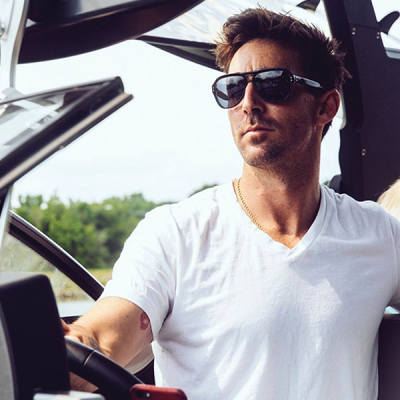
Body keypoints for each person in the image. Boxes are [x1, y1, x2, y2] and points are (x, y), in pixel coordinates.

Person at [64, 7, 400, 400]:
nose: (248, 102)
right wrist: (48, 345)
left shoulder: (379, 236)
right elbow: (100, 340)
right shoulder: (174, 235)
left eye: (273, 84)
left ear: (326, 106)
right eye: (233, 88)